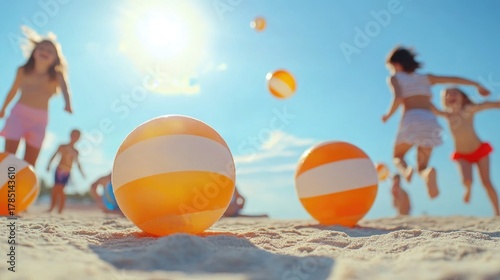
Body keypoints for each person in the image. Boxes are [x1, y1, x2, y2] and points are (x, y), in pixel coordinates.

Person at [382, 46, 490, 199]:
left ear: (397, 64)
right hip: (430, 122)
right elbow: (453, 79)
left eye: (391, 67)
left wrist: (387, 115)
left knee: (397, 156)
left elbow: (398, 98)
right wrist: (477, 85)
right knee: (422, 166)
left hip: (411, 118)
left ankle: (406, 171)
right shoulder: (426, 78)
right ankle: (427, 173)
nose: (392, 70)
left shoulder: (395, 78)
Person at [0, 26, 73, 166]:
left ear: (55, 59)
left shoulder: (56, 75)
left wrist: (68, 103)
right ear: (34, 52)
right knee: (9, 159)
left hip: (39, 120)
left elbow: (65, 88)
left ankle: (24, 187)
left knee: (29, 164)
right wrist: (3, 109)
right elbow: (13, 90)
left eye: (50, 51)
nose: (45, 52)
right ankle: (8, 187)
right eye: (41, 48)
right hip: (17, 115)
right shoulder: (22, 70)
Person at [431, 88, 500, 216]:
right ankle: (468, 189)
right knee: (466, 180)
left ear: (463, 97)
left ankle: (497, 212)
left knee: (487, 182)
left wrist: (497, 104)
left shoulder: (468, 109)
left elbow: (487, 105)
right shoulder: (447, 115)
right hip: (462, 154)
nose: (451, 95)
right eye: (447, 94)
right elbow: (431, 108)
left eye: (454, 93)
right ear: (444, 100)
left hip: (479, 150)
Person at [46, 129, 85, 214]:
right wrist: (48, 164)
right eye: (74, 135)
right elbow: (54, 155)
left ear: (79, 138)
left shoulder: (76, 151)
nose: (75, 137)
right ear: (70, 135)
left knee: (62, 189)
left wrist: (82, 173)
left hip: (67, 172)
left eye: (77, 136)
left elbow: (78, 163)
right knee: (56, 188)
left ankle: (60, 209)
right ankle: (52, 207)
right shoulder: (62, 146)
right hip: (59, 169)